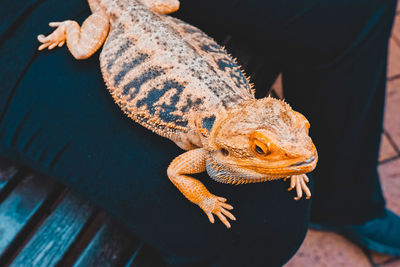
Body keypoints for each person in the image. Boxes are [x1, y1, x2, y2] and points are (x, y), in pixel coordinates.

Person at [0, 0, 398, 266]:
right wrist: (206, 198)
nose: (305, 152)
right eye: (263, 148)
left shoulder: (243, 137)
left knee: (350, 8)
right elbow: (178, 171)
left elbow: (281, 138)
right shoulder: (206, 151)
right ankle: (71, 28)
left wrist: (291, 162)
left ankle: (345, 202)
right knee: (262, 222)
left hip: (145, 16)